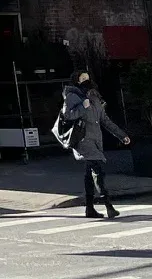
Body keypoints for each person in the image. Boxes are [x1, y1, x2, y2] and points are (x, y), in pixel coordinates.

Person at [55, 70, 130, 218]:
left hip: (96, 140)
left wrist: (122, 136)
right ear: (76, 81)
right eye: (83, 78)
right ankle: (108, 205)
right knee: (97, 170)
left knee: (89, 175)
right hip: (83, 140)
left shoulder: (94, 97)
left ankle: (90, 208)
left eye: (88, 78)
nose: (86, 80)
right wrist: (83, 106)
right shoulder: (72, 96)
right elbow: (67, 115)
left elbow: (105, 120)